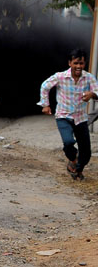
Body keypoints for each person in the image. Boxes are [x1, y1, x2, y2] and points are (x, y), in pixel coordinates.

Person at [38, 48, 98, 181]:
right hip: (63, 116)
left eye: (81, 63)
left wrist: (92, 94)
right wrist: (45, 104)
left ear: (84, 64)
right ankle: (74, 160)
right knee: (68, 141)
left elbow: (97, 91)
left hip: (81, 117)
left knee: (86, 152)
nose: (78, 66)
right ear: (70, 63)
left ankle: (77, 169)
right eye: (76, 63)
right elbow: (45, 86)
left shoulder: (89, 78)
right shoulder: (60, 76)